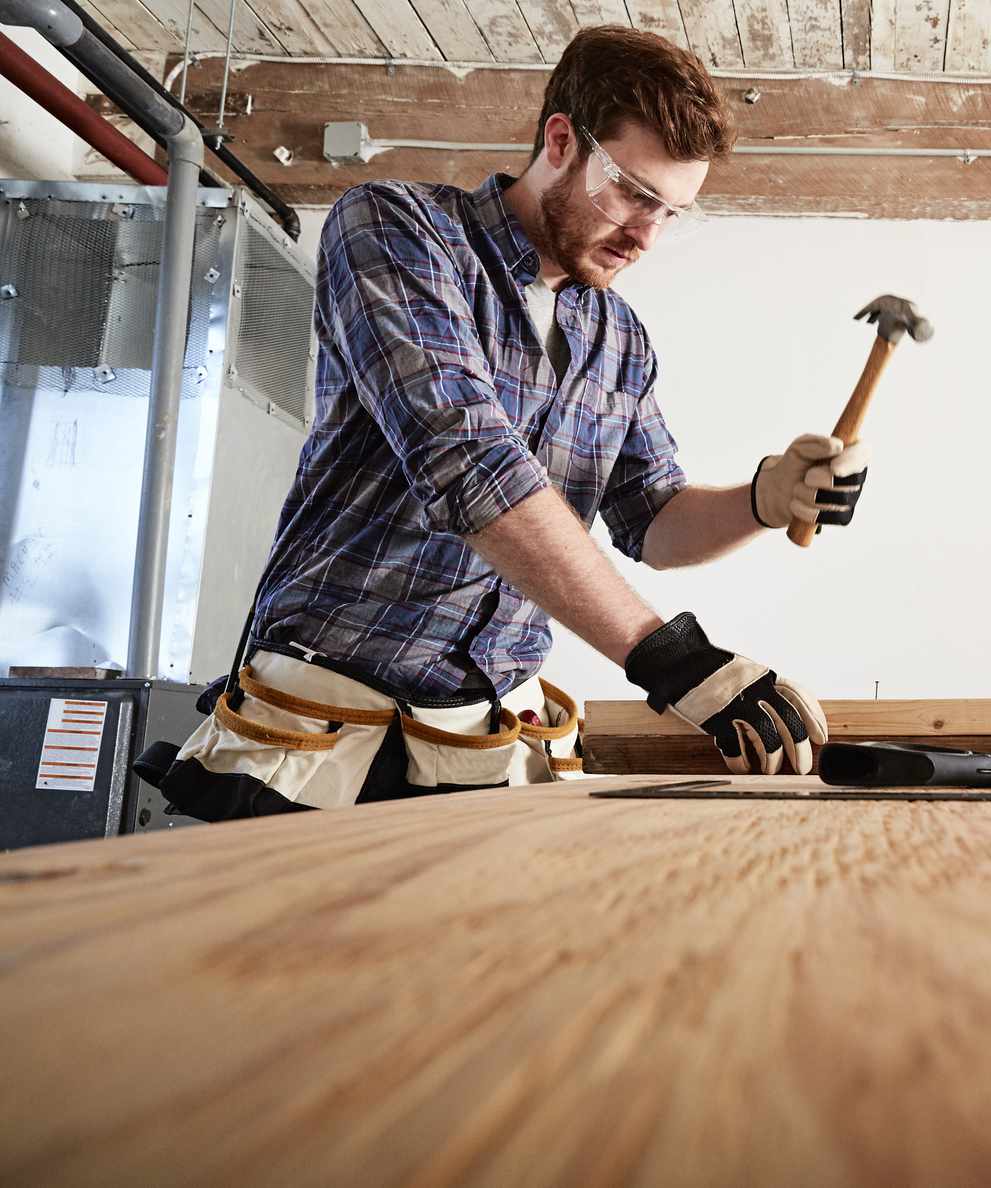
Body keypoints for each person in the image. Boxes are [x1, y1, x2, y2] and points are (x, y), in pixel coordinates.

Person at [148, 26, 872, 820]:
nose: (646, 235)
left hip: (483, 741)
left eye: (671, 212)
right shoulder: (398, 230)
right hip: (319, 724)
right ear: (561, 140)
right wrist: (674, 659)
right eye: (632, 191)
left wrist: (763, 500)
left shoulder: (619, 340)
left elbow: (652, 522)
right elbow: (468, 463)